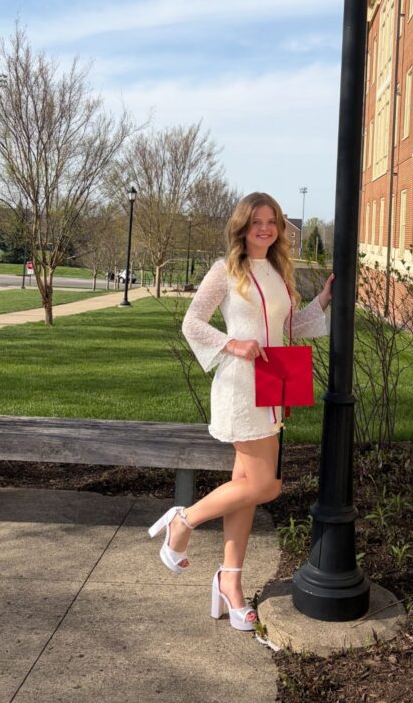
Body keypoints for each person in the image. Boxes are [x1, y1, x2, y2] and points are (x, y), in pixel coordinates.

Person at [148, 191, 333, 631]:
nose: (265, 229)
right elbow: (191, 323)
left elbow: (289, 328)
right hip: (239, 385)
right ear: (243, 227)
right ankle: (183, 519)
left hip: (273, 385)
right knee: (265, 486)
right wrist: (232, 343)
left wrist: (323, 300)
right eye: (257, 223)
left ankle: (229, 581)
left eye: (272, 222)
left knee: (247, 485)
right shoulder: (224, 271)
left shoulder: (280, 273)